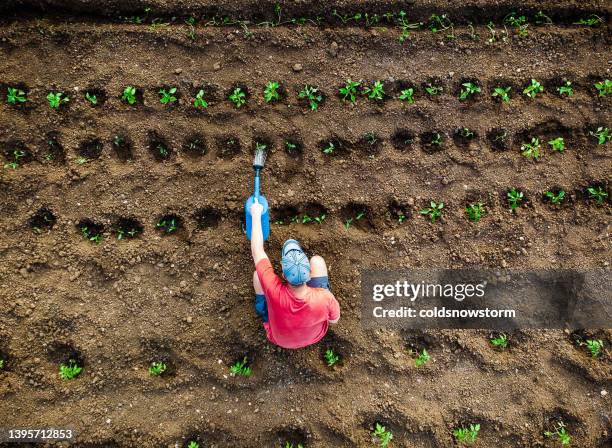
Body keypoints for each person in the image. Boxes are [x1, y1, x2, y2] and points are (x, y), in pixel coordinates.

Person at [249, 198, 340, 349]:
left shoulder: (273, 289)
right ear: (309, 275)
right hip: (315, 336)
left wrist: (256, 214)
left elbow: (257, 251)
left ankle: (264, 310)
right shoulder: (325, 298)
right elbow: (334, 321)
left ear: (283, 276)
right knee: (318, 261)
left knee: (258, 276)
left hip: (279, 340)